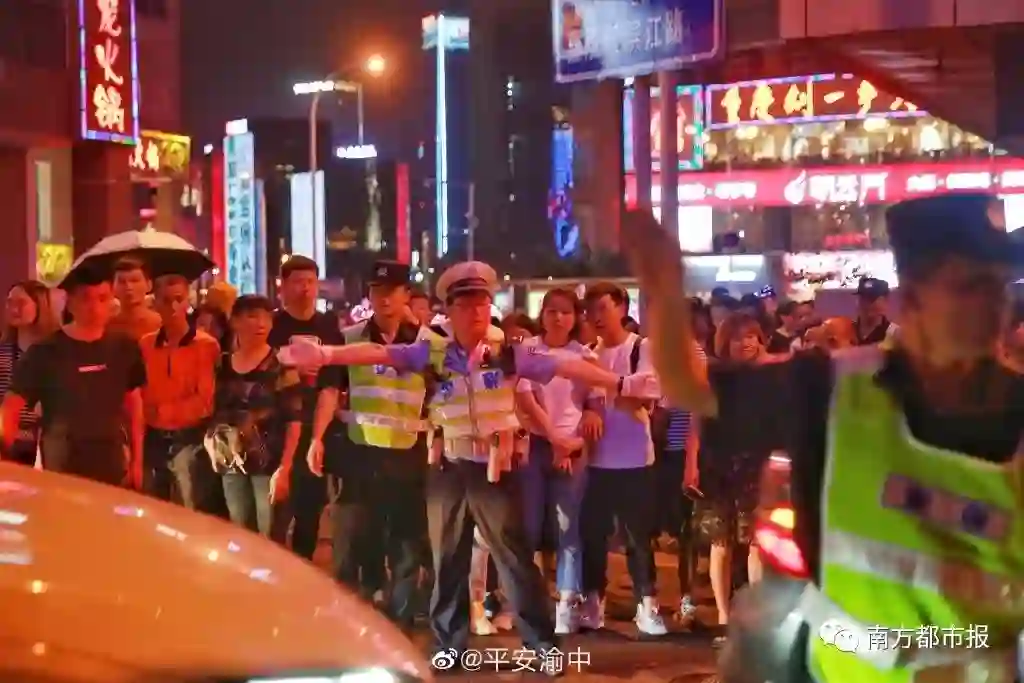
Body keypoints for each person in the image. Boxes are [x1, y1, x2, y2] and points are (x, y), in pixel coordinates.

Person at [626, 195, 1024, 682]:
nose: (994, 305)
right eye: (969, 288)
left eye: (999, 286)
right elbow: (690, 389)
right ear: (911, 301)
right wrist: (665, 288)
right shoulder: (830, 388)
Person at [279, 260, 653, 674]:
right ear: (451, 311)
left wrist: (620, 383)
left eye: (482, 304)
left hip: (496, 469)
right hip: (449, 467)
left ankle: (542, 645)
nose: (476, 312)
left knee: (515, 561)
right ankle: (449, 644)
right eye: (466, 305)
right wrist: (327, 354)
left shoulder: (511, 351)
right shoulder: (432, 351)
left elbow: (565, 364)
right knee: (448, 560)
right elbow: (379, 352)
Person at [307, 260, 429, 628]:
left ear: (406, 295)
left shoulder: (428, 343)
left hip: (409, 455)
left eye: (391, 291)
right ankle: (348, 624)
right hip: (359, 455)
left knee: (406, 545)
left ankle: (400, 623)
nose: (384, 299)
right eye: (377, 291)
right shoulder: (349, 338)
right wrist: (317, 438)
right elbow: (331, 390)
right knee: (352, 542)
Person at [1, 263, 146, 487]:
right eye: (86, 298)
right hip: (61, 467)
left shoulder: (124, 347)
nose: (95, 308)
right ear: (70, 302)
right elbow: (11, 407)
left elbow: (134, 406)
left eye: (102, 298)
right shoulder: (44, 352)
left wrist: (137, 461)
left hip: (112, 463)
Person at [578, 282, 667, 636]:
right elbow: (584, 398)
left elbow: (651, 389)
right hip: (596, 459)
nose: (596, 317)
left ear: (622, 308)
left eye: (603, 308)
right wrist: (624, 391)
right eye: (591, 311)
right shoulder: (587, 353)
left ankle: (647, 605)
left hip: (635, 459)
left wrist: (611, 387)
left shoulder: (642, 347)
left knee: (638, 539)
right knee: (593, 537)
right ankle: (593, 603)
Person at [514, 288, 596, 634]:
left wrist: (573, 444)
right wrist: (554, 439)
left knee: (568, 529)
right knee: (529, 528)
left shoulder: (584, 356)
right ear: (542, 314)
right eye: (551, 311)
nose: (558, 317)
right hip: (536, 445)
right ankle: (530, 602)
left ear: (575, 317)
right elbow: (526, 399)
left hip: (572, 450)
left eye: (565, 311)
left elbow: (595, 404)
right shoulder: (529, 349)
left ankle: (566, 603)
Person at [206, 295, 303, 537]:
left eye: (266, 318)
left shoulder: (281, 365)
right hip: (231, 460)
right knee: (240, 533)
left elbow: (294, 419)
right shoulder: (221, 364)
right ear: (235, 322)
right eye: (252, 316)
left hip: (268, 463)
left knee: (270, 534)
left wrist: (285, 467)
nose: (261, 323)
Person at [267, 255, 345, 557]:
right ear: (283, 286)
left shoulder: (328, 326)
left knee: (310, 512)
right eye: (298, 281)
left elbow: (332, 383)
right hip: (278, 430)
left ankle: (303, 570)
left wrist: (319, 437)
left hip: (316, 425)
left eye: (310, 281)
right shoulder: (271, 326)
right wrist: (290, 372)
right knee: (276, 512)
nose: (305, 288)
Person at [139, 274, 220, 508]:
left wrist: (165, 411)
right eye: (166, 300)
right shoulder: (146, 344)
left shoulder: (205, 345)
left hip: (190, 436)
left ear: (188, 301)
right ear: (155, 303)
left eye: (178, 299)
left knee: (189, 507)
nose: (173, 306)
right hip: (153, 435)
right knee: (154, 506)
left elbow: (205, 399)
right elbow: (141, 388)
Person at [0, 281, 58, 466]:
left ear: (40, 305)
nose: (13, 309)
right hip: (6, 440)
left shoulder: (55, 351)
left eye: (21, 303)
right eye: (9, 302)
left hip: (46, 441)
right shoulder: (3, 350)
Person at [107, 257, 162, 340]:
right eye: (122, 281)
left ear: (149, 285)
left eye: (134, 280)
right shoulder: (106, 327)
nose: (128, 287)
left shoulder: (161, 324)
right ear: (112, 287)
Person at [853, 276, 897, 345]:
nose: (866, 304)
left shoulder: (894, 334)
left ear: (885, 301)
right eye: (862, 298)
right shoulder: (846, 330)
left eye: (871, 299)